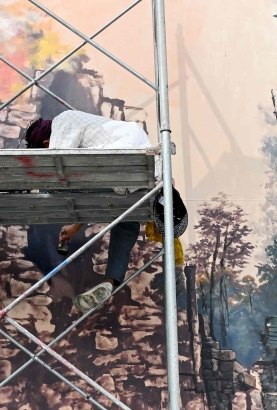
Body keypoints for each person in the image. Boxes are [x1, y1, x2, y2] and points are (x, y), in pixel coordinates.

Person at [25, 112, 186, 313]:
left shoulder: (63, 120)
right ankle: (110, 281)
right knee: (126, 220)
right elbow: (92, 194)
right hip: (136, 179)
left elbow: (59, 164)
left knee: (52, 186)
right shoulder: (89, 129)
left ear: (46, 142)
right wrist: (75, 227)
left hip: (120, 162)